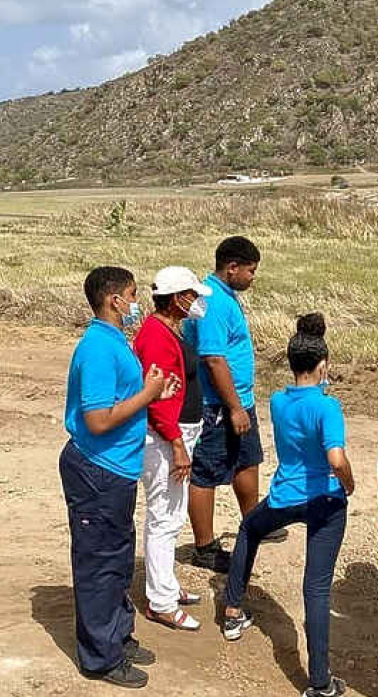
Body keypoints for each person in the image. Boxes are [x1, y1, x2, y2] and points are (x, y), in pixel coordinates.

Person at [222, 314, 354, 697]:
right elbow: (335, 458)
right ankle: (319, 680)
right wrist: (348, 483)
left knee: (250, 529)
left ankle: (232, 609)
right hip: (325, 499)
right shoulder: (328, 407)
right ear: (323, 366)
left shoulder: (278, 400)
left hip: (285, 496)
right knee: (316, 588)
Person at [60, 266, 179, 688]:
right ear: (113, 300)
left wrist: (150, 394)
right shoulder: (97, 348)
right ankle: (100, 658)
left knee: (116, 558)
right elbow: (96, 419)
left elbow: (116, 400)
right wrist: (146, 396)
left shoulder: (114, 342)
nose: (135, 304)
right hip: (98, 469)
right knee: (99, 563)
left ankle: (117, 635)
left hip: (115, 470)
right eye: (131, 295)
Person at [184, 235, 280, 573]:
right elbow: (213, 358)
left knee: (247, 461)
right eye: (251, 271)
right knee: (206, 474)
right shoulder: (213, 303)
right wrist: (234, 407)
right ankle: (204, 547)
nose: (253, 277)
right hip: (219, 406)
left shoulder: (225, 296)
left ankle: (254, 523)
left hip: (240, 400)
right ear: (232, 267)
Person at [133, 266, 212, 632]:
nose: (196, 302)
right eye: (192, 295)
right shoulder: (157, 336)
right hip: (168, 437)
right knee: (165, 517)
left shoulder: (166, 330)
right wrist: (177, 445)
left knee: (171, 514)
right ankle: (160, 601)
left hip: (176, 434)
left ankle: (165, 586)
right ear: (177, 298)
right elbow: (159, 399)